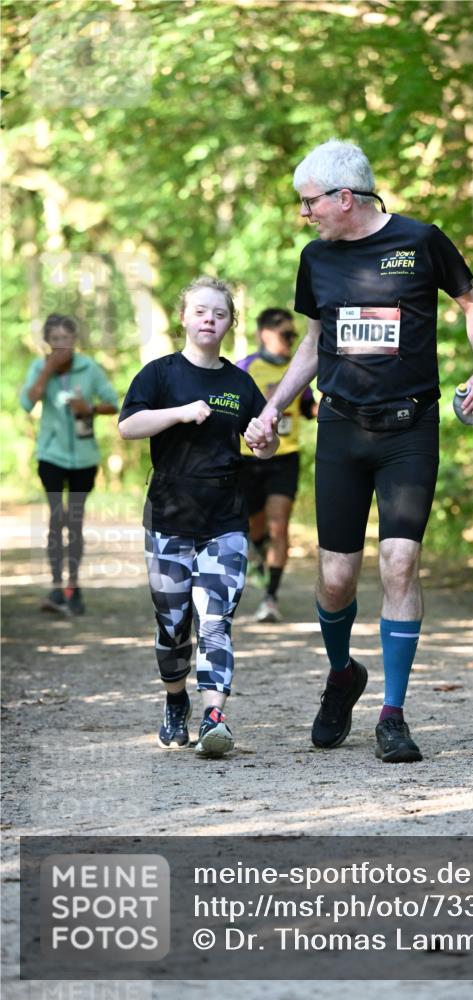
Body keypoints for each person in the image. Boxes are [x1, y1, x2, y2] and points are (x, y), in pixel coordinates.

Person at [245, 139, 473, 764]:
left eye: (309, 203)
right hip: (341, 428)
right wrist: (272, 408)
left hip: (410, 429)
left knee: (399, 564)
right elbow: (313, 343)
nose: (304, 213)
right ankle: (342, 676)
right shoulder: (315, 259)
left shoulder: (421, 241)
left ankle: (393, 715)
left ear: (344, 198)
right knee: (335, 579)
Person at [118, 276, 278, 757]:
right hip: (169, 516)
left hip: (225, 518)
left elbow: (264, 445)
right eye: (201, 311)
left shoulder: (240, 383)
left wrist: (264, 440)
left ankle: (214, 718)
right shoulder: (160, 374)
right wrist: (180, 412)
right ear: (184, 318)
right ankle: (175, 700)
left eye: (220, 313)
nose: (210, 319)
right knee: (172, 625)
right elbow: (129, 426)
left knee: (215, 620)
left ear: (230, 323)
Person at [20, 313, 119, 615]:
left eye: (66, 338)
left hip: (85, 458)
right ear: (47, 342)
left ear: (75, 340)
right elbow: (27, 402)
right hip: (50, 456)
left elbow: (114, 403)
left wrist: (89, 408)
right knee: (56, 518)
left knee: (74, 521)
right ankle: (55, 587)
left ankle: (72, 588)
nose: (61, 344)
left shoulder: (89, 368)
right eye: (55, 339)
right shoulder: (39, 367)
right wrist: (47, 370)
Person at [237, 308, 317, 623]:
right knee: (254, 527)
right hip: (248, 459)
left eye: (295, 334)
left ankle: (270, 597)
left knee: (278, 525)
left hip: (286, 457)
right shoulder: (245, 368)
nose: (293, 339)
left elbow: (309, 407)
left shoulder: (299, 368)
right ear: (265, 334)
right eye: (287, 334)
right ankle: (258, 554)